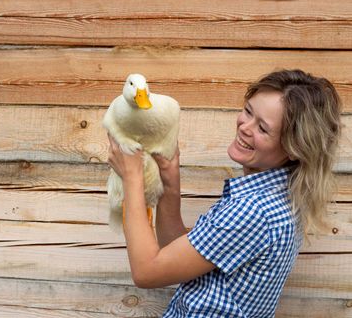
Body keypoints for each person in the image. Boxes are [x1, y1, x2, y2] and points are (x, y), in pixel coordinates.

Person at [106, 69, 342, 317]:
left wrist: (131, 177)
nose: (245, 127)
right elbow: (174, 253)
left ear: (294, 147)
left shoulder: (252, 211)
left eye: (263, 128)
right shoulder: (276, 197)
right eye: (248, 111)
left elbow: (147, 272)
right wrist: (169, 181)